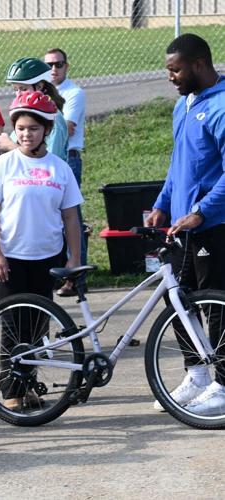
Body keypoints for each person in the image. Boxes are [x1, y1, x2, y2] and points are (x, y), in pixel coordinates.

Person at [0, 91, 82, 411]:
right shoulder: (3, 166)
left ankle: (28, 385)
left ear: (46, 130)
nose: (26, 134)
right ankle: (10, 389)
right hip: (9, 259)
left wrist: (74, 259)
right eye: (21, 128)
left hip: (46, 258)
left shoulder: (59, 168)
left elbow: (71, 218)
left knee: (37, 326)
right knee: (12, 326)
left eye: (33, 129)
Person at [146, 33, 225, 415]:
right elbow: (179, 166)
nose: (171, 77)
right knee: (178, 299)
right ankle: (196, 375)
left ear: (198, 65)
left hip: (214, 225)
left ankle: (224, 384)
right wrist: (162, 203)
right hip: (182, 227)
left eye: (175, 70)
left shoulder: (222, 106)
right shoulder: (184, 106)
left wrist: (203, 210)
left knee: (217, 305)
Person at [45, 48, 88, 297]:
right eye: (49, 65)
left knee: (71, 217)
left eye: (58, 64)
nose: (54, 69)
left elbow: (67, 128)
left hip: (68, 159)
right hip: (47, 157)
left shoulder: (74, 93)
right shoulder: (42, 93)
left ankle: (76, 278)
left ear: (66, 66)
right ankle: (60, 273)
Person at [0, 58, 69, 162]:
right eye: (16, 89)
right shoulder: (23, 114)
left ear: (39, 86)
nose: (18, 94)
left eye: (23, 89)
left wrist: (10, 146)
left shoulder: (54, 118)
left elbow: (48, 161)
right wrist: (0, 143)